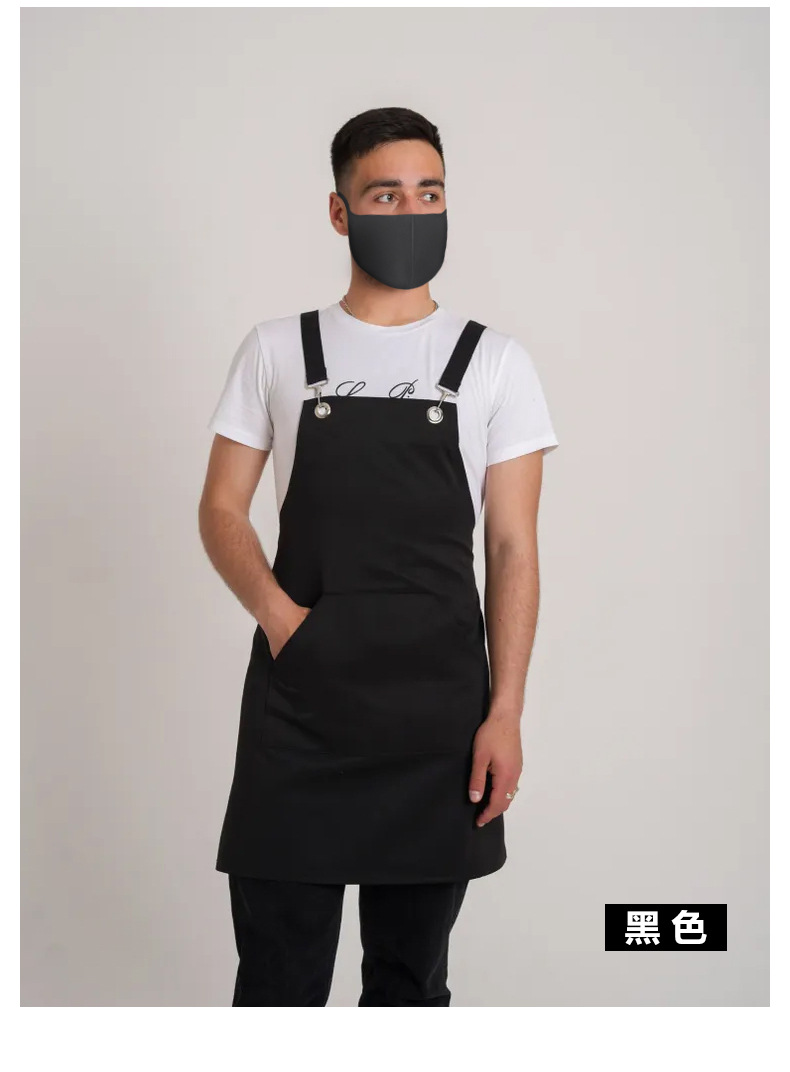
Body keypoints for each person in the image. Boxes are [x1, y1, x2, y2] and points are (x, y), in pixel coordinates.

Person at [198, 106, 559, 1006]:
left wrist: (506, 711)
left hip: (439, 721)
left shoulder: (495, 362)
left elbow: (513, 548)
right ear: (340, 211)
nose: (411, 211)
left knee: (409, 987)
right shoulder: (277, 350)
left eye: (428, 194)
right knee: (277, 989)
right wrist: (283, 623)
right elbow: (221, 510)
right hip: (301, 710)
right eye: (386, 195)